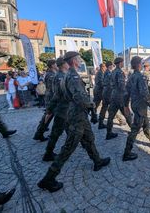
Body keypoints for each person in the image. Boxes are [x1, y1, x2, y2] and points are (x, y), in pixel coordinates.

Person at [37, 52, 110, 193]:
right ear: (74, 61)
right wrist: (92, 106)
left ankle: (97, 160)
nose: (80, 60)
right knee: (69, 147)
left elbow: (57, 96)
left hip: (76, 115)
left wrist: (49, 110)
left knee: (89, 139)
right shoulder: (73, 77)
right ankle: (48, 179)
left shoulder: (65, 77)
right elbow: (80, 98)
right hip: (77, 117)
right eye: (79, 59)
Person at [123, 56, 150, 161]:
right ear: (138, 65)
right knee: (135, 128)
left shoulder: (131, 76)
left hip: (135, 105)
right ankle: (127, 152)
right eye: (141, 62)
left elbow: (126, 92)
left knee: (145, 123)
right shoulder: (139, 76)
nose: (142, 64)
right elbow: (145, 93)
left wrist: (126, 105)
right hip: (140, 105)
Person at [42, 57, 69, 162]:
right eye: (67, 63)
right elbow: (57, 95)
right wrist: (49, 110)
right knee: (56, 132)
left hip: (64, 109)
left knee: (70, 130)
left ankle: (69, 146)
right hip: (62, 109)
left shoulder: (61, 75)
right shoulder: (60, 77)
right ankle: (48, 153)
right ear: (63, 64)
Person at [106, 57, 132, 140]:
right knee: (126, 112)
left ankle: (108, 133)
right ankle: (133, 129)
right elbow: (122, 86)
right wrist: (126, 94)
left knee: (111, 116)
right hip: (120, 96)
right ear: (120, 63)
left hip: (113, 95)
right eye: (122, 62)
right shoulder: (120, 72)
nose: (123, 63)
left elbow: (110, 84)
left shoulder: (113, 72)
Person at [33, 60, 58, 142]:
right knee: (48, 116)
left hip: (52, 98)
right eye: (55, 64)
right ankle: (39, 133)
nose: (56, 65)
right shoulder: (50, 75)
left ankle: (39, 133)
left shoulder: (53, 73)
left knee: (50, 117)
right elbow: (53, 88)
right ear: (52, 65)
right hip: (51, 98)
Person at [98, 61, 113, 129]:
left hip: (105, 92)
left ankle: (100, 123)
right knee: (112, 108)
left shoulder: (106, 72)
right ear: (110, 66)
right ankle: (108, 128)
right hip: (108, 93)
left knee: (104, 108)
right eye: (112, 65)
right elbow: (112, 83)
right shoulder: (109, 73)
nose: (112, 66)